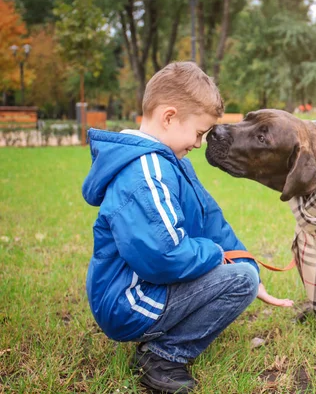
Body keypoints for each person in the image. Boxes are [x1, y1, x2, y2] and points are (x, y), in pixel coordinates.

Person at [82, 61, 293, 393]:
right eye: (198, 133)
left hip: (143, 290)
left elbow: (210, 220)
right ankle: (163, 356)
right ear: (169, 117)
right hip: (128, 301)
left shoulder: (172, 164)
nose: (199, 143)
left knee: (243, 277)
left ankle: (167, 338)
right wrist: (218, 258)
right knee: (240, 281)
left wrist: (245, 263)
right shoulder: (144, 173)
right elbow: (162, 255)